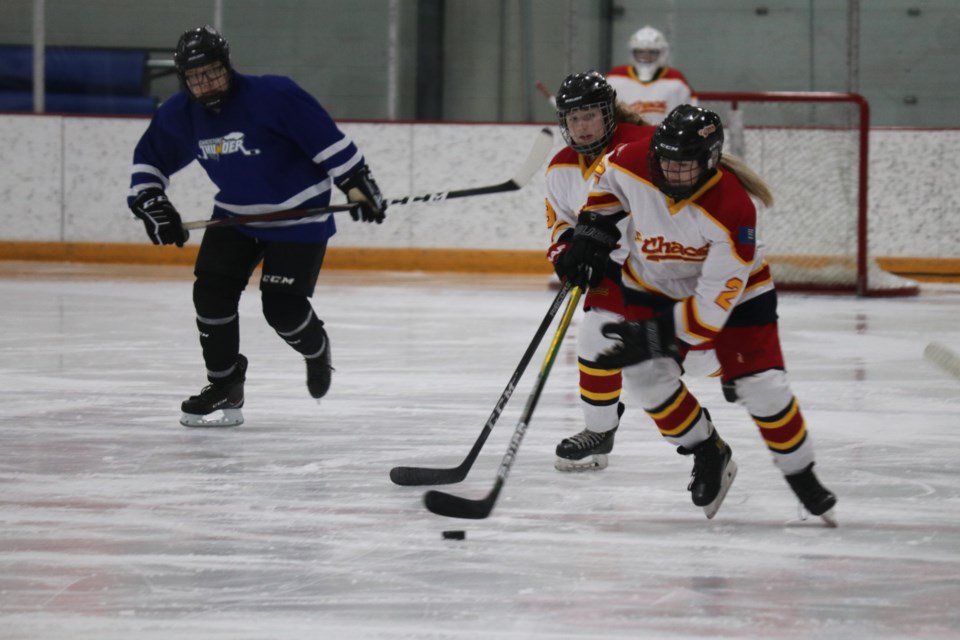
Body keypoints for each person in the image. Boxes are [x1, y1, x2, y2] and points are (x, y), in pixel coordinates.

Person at [555, 104, 838, 525]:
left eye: (686, 166)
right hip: (653, 283)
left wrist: (653, 336)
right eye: (665, 161)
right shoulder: (632, 158)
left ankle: (802, 475)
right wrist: (592, 232)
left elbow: (708, 310)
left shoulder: (734, 212)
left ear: (709, 161)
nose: (673, 174)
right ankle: (708, 450)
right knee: (646, 380)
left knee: (763, 389)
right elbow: (605, 187)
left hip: (738, 297)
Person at [127, 25, 387, 427]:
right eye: (195, 77)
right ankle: (225, 385)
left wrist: (356, 182)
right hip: (235, 215)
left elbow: (327, 140)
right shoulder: (181, 113)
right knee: (211, 294)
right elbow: (148, 162)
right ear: (184, 79)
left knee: (282, 309)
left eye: (212, 71)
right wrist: (151, 201)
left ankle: (316, 350)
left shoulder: (274, 95)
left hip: (298, 213)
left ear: (227, 66)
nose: (206, 83)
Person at [545, 71, 720, 472]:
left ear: (608, 113)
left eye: (590, 115)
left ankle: (734, 364)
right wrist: (566, 253)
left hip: (666, 269)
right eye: (573, 119)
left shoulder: (645, 146)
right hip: (614, 272)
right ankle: (598, 431)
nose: (582, 126)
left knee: (693, 359)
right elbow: (559, 223)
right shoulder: (559, 168)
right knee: (594, 337)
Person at [605, 26, 696, 124]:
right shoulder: (614, 78)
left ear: (661, 53)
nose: (645, 57)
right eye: (640, 52)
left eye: (651, 52)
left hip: (665, 138)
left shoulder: (677, 81)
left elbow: (691, 114)